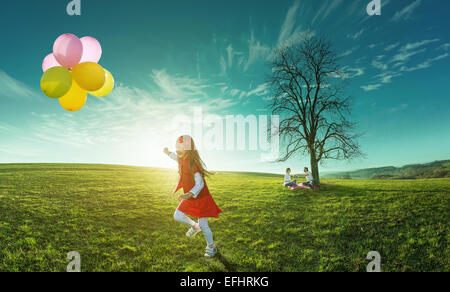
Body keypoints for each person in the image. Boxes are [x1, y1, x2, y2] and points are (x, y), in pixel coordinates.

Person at [164, 135, 222, 258]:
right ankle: (194, 226)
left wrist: (188, 194)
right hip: (189, 197)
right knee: (177, 216)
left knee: (204, 225)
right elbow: (174, 157)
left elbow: (200, 183)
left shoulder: (194, 164)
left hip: (201, 198)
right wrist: (167, 152)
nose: (177, 150)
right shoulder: (180, 159)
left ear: (188, 148)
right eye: (176, 147)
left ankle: (211, 247)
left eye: (180, 147)